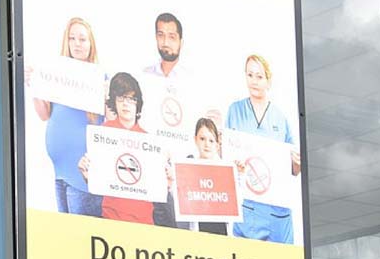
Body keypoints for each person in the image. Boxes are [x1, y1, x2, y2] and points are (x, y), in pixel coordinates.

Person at [27, 17, 104, 217]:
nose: (77, 44)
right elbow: (44, 115)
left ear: (90, 44)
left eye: (82, 39)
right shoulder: (57, 75)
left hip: (83, 173)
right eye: (72, 39)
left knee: (81, 236)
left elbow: (110, 122)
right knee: (67, 237)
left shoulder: (100, 79)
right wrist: (34, 85)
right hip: (60, 171)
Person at [79, 72, 175, 226]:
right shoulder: (103, 133)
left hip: (144, 220)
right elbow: (97, 179)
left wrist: (167, 183)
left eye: (131, 99)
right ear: (114, 102)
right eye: (121, 98)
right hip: (111, 218)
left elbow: (156, 187)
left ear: (138, 103)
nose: (125, 104)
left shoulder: (149, 141)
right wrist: (86, 175)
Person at [225, 54, 300, 244]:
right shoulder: (235, 111)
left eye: (259, 76)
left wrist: (298, 163)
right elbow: (226, 157)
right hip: (248, 205)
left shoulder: (280, 118)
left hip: (276, 210)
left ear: (269, 80)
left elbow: (294, 169)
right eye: (250, 75)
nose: (254, 81)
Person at [187, 117, 229, 235]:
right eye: (202, 139)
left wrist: (240, 175)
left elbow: (236, 204)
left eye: (211, 140)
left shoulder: (225, 171)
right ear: (195, 140)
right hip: (199, 236)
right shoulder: (188, 169)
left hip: (222, 235)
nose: (207, 144)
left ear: (217, 144)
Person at [144, 13, 186, 79]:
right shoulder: (145, 75)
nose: (165, 43)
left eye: (172, 37)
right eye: (161, 35)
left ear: (181, 42)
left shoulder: (191, 76)